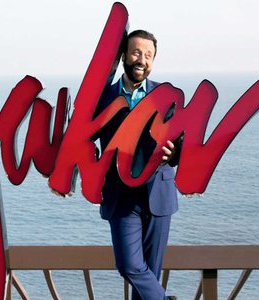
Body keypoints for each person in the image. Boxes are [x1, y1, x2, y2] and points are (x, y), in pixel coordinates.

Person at [94, 30, 180, 300]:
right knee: (130, 266)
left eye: (148, 55)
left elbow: (182, 145)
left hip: (158, 194)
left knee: (150, 276)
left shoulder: (166, 97)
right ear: (123, 56)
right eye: (136, 53)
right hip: (121, 197)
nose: (141, 59)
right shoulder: (103, 99)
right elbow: (83, 141)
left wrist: (174, 152)